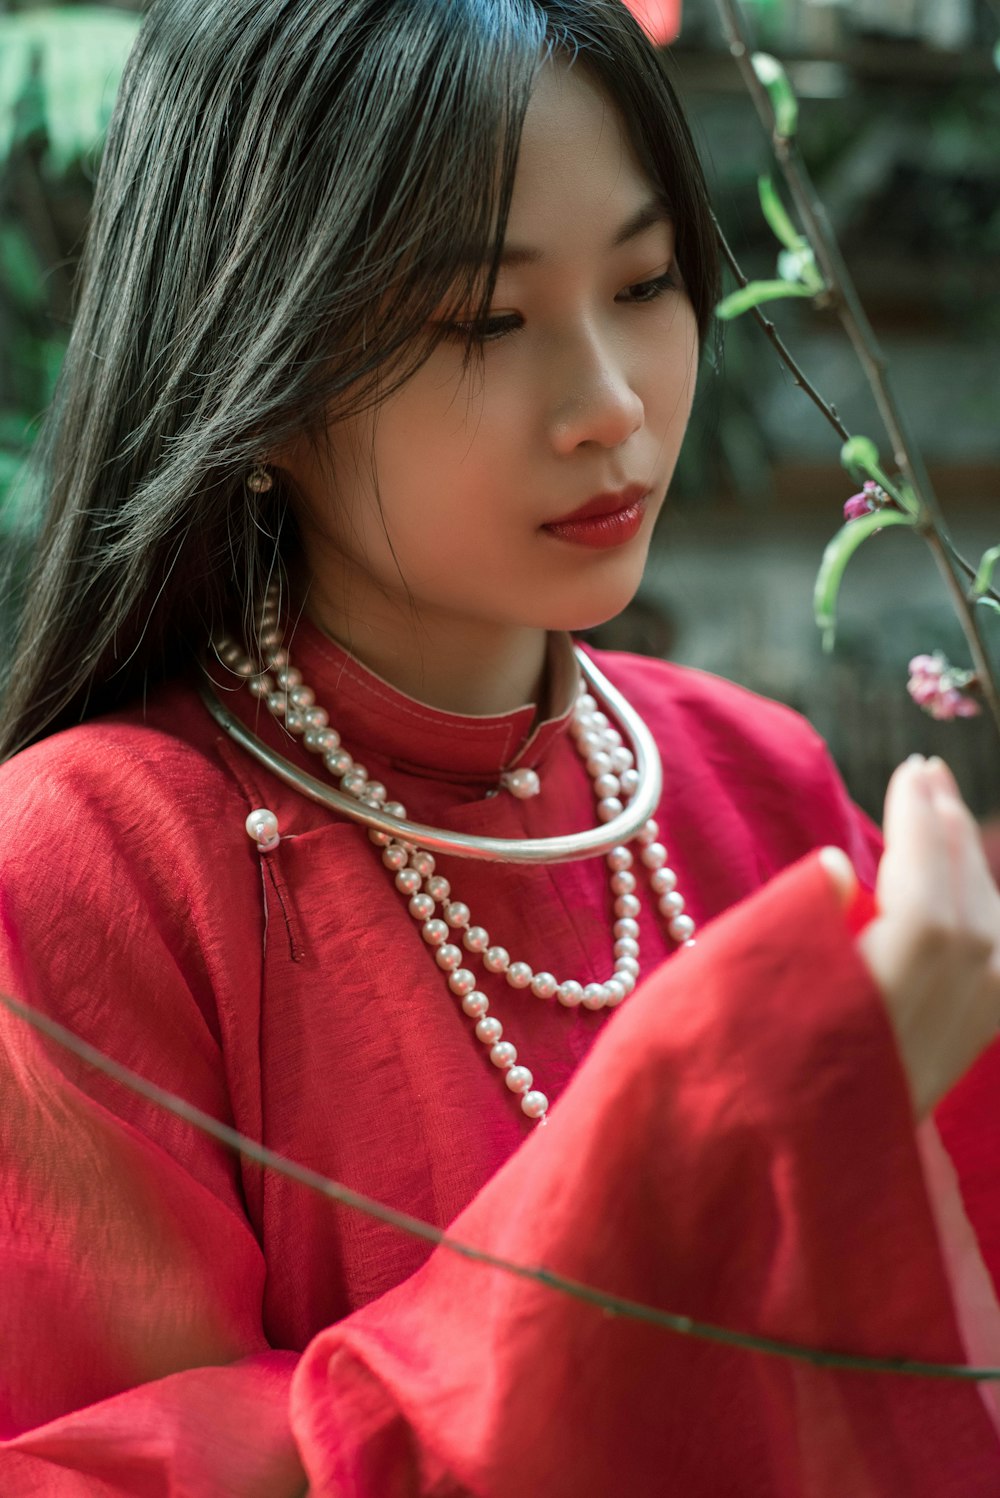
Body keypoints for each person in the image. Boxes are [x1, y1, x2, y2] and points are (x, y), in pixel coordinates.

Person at [1, 1, 999, 1492]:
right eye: (482, 319)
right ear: (255, 369)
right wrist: (747, 1115)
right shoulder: (89, 870)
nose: (610, 406)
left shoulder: (757, 782)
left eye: (649, 281)